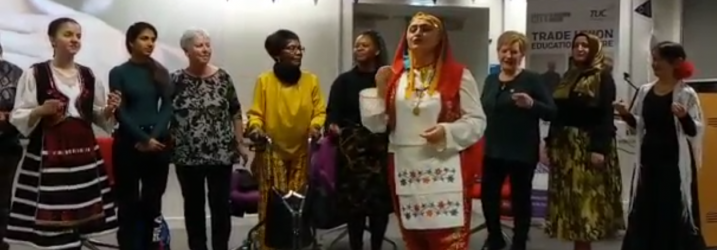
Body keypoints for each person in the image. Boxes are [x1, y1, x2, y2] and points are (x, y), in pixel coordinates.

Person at [359, 12, 486, 250]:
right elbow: (377, 125)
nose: (417, 33)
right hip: (405, 170)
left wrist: (446, 132)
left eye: (426, 29)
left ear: (440, 38)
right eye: (413, 29)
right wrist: (380, 89)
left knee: (447, 242)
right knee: (414, 241)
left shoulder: (459, 75)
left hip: (444, 168)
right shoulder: (396, 79)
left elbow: (477, 121)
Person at [4, 17, 121, 250]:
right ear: (52, 39)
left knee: (82, 218)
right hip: (49, 157)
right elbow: (19, 115)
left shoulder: (88, 75)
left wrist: (108, 110)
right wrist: (40, 110)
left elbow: (96, 115)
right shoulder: (35, 74)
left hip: (84, 157)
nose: (74, 39)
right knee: (53, 226)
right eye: (68, 34)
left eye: (78, 35)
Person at [616, 41, 706, 250]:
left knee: (672, 211)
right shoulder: (645, 91)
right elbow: (639, 124)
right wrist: (625, 114)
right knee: (645, 210)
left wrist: (684, 117)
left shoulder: (686, 94)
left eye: (659, 60)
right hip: (648, 163)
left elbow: (695, 130)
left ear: (675, 63)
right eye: (653, 59)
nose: (654, 64)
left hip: (674, 165)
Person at [246, 29, 326, 250]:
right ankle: (268, 245)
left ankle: (297, 244)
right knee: (272, 202)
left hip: (301, 150)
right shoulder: (265, 81)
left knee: (298, 203)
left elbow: (319, 111)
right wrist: (256, 128)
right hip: (272, 151)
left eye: (300, 47)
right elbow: (256, 113)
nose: (298, 52)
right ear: (277, 54)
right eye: (292, 48)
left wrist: (316, 126)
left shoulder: (311, 80)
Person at [543, 32, 624, 250]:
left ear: (595, 49)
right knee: (570, 206)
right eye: (576, 45)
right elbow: (558, 113)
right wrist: (549, 142)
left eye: (585, 46)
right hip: (565, 148)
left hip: (587, 147)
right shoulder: (568, 76)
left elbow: (605, 116)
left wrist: (599, 148)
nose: (580, 49)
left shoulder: (602, 77)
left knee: (585, 206)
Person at [171, 28, 248, 250]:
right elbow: (166, 112)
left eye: (207, 45)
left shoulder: (223, 77)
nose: (205, 49)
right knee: (193, 207)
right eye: (199, 45)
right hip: (187, 155)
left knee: (220, 207)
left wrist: (240, 143)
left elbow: (235, 111)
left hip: (221, 154)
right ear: (186, 51)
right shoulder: (176, 79)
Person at [480, 31, 556, 250]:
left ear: (522, 54)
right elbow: (482, 108)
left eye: (514, 51)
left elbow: (552, 112)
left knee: (520, 199)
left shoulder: (532, 79)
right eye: (504, 51)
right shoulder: (491, 79)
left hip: (522, 151)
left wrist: (532, 104)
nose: (508, 56)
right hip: (493, 150)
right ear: (498, 52)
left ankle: (519, 243)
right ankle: (495, 237)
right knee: (489, 197)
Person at [109, 22, 172, 250]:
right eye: (144, 38)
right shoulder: (119, 72)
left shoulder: (160, 72)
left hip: (157, 144)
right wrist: (142, 139)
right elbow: (119, 110)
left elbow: (167, 107)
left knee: (152, 203)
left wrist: (153, 138)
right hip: (129, 143)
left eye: (153, 39)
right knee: (128, 204)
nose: (150, 44)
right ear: (131, 42)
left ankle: (151, 246)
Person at [325, 30, 392, 250]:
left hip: (380, 151)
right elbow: (332, 114)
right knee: (354, 208)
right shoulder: (343, 81)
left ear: (377, 50)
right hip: (352, 154)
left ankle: (376, 246)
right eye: (357, 45)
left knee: (379, 207)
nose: (359, 48)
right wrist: (333, 126)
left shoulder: (389, 80)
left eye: (364, 45)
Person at [0, 43, 23, 250]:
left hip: (6, 145)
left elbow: (26, 110)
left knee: (2, 198)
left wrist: (7, 117)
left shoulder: (15, 73)